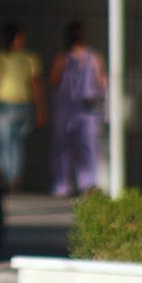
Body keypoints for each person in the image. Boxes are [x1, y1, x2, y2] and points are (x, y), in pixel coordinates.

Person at [48, 21, 108, 197]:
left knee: (87, 147)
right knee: (62, 148)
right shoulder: (63, 58)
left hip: (86, 109)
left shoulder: (93, 57)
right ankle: (62, 184)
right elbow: (53, 80)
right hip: (66, 110)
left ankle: (87, 184)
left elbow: (102, 82)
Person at [0, 23, 47, 192]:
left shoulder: (0, 57)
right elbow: (36, 84)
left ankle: (8, 178)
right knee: (14, 143)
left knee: (5, 142)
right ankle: (13, 178)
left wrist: (40, 109)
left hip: (8, 104)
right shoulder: (29, 58)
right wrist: (40, 109)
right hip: (19, 105)